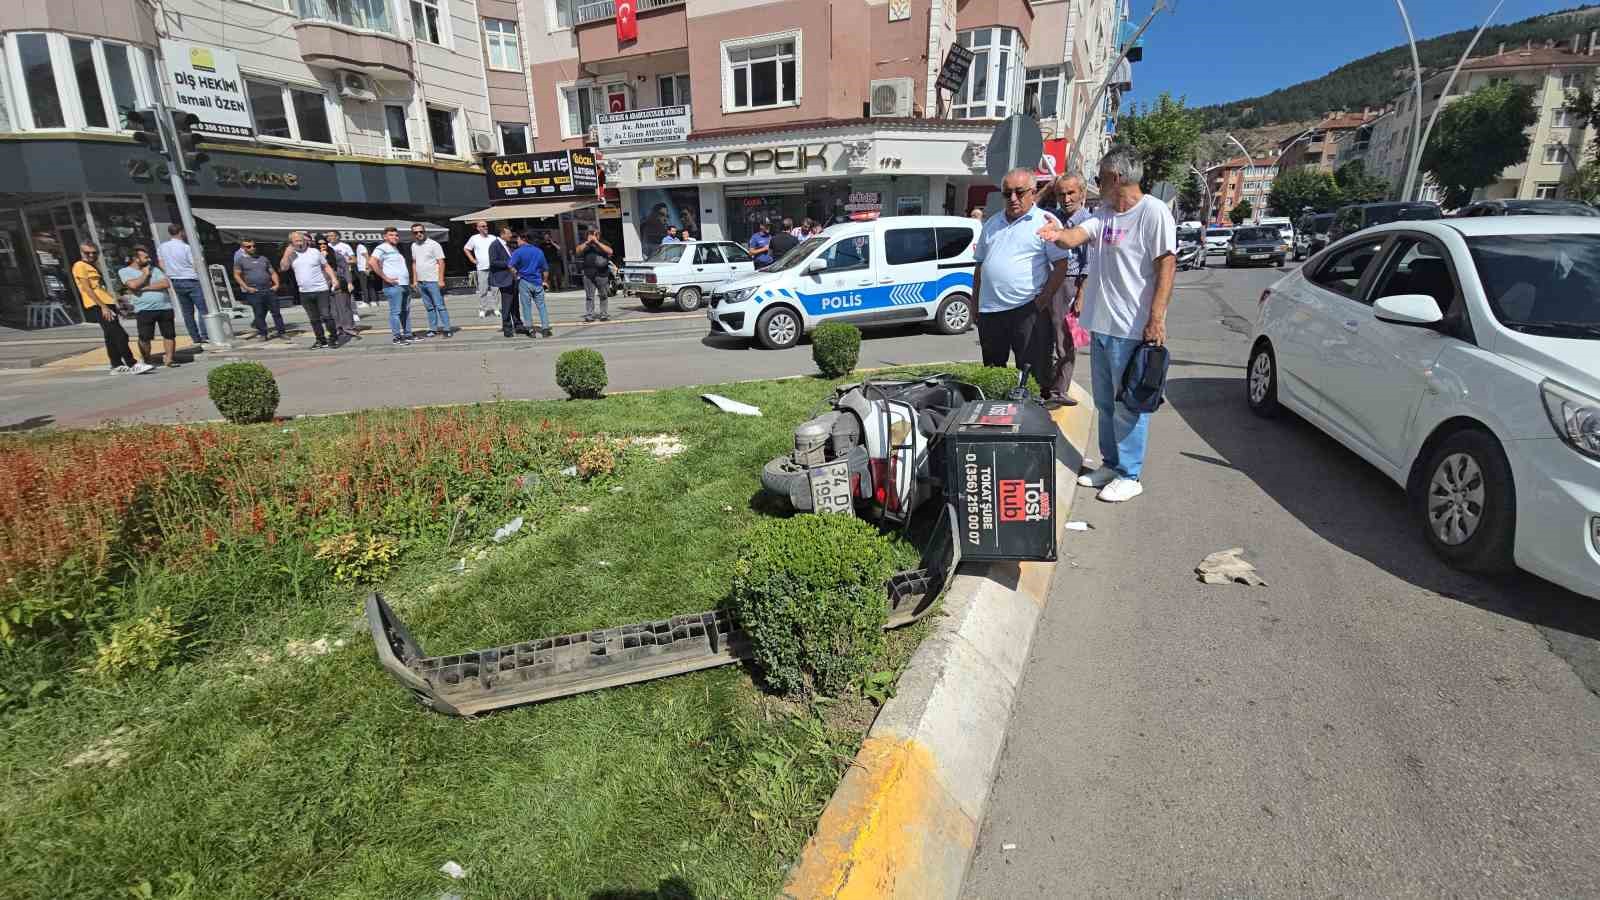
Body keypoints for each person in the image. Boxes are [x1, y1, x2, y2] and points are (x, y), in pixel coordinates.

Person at [1036, 144, 1178, 504]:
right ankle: (1111, 465)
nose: (1098, 184)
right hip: (1101, 325)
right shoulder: (1106, 213)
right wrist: (1056, 233)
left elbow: (1166, 266)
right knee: (1105, 403)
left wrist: (1156, 319)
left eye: (1099, 178)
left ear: (1116, 178)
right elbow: (1076, 236)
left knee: (1128, 404)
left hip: (1131, 329)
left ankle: (1131, 474)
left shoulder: (1153, 213)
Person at [972, 167, 1071, 402]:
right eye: (1007, 194)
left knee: (1032, 376)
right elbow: (980, 267)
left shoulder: (1045, 222)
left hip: (1027, 311)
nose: (1013, 199)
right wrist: (975, 303)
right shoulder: (992, 223)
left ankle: (1033, 423)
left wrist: (1041, 301)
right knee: (993, 376)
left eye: (1019, 192)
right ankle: (995, 421)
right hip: (991, 312)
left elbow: (1060, 266)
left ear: (1033, 191)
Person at [1038, 174, 1092, 407]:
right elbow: (1033, 207)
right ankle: (1045, 386)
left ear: (1082, 193)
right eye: (1061, 194)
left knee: (1064, 340)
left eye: (1071, 193)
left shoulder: (1088, 221)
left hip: (1070, 283)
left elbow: (1091, 262)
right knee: (1043, 338)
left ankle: (1060, 390)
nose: (1066, 198)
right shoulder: (1054, 216)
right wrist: (1048, 187)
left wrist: (1081, 294)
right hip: (1047, 279)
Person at [73, 243, 147, 374]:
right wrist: (103, 307)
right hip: (97, 304)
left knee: (110, 336)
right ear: (81, 252)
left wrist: (113, 302)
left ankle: (116, 364)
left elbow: (99, 287)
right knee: (120, 335)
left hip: (106, 302)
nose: (91, 255)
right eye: (87, 253)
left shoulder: (92, 266)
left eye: (94, 253)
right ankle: (132, 363)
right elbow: (87, 289)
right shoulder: (80, 266)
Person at [279, 230, 342, 350]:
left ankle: (333, 338)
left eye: (301, 240)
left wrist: (334, 279)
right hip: (304, 291)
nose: (299, 243)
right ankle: (320, 340)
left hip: (320, 289)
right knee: (313, 318)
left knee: (326, 315)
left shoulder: (314, 252)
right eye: (296, 241)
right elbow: (283, 268)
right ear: (291, 243)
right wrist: (286, 254)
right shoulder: (291, 255)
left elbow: (326, 266)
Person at [119, 246, 178, 369]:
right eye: (145, 257)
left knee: (169, 334)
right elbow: (133, 285)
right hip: (144, 309)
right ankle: (147, 359)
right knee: (145, 337)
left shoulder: (155, 269)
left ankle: (169, 359)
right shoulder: (125, 271)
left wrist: (144, 288)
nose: (149, 259)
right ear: (136, 259)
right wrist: (145, 275)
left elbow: (166, 283)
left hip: (164, 306)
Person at [157, 225, 208, 344]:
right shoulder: (186, 247)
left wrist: (171, 272)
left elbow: (161, 263)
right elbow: (195, 265)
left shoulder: (162, 247)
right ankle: (205, 335)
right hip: (191, 279)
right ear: (181, 232)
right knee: (202, 309)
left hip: (176, 280)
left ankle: (195, 337)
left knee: (187, 311)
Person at [232, 239, 285, 341]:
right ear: (243, 248)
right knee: (259, 313)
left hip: (268, 288)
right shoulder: (240, 260)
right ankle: (263, 334)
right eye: (249, 247)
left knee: (276, 312)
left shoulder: (263, 258)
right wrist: (246, 288)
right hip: (254, 290)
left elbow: (272, 272)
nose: (252, 248)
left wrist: (277, 284)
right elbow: (236, 275)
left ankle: (281, 332)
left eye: (253, 246)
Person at [369, 227, 413, 345]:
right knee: (396, 312)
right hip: (393, 286)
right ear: (385, 237)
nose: (395, 237)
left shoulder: (395, 249)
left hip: (404, 284)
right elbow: (372, 262)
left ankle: (408, 334)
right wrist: (385, 278)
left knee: (405, 311)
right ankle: (397, 337)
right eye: (391, 235)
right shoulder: (382, 247)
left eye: (396, 235)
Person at [408, 224, 452, 338]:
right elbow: (414, 263)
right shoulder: (413, 245)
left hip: (433, 280)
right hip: (421, 281)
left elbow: (441, 262)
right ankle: (433, 329)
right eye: (416, 233)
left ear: (425, 231)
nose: (419, 234)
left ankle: (447, 328)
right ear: (413, 234)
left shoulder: (434, 244)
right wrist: (414, 280)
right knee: (429, 307)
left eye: (421, 231)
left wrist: (441, 279)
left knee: (440, 305)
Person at [510, 231, 553, 338]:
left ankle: (530, 329)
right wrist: (545, 281)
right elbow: (545, 269)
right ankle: (546, 328)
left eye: (518, 239)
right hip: (538, 282)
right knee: (542, 306)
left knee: (526, 306)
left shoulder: (518, 252)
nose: (517, 241)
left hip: (524, 281)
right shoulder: (539, 251)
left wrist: (516, 276)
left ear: (524, 239)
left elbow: (511, 266)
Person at [487, 225, 524, 337]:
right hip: (504, 279)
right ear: (502, 234)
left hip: (512, 278)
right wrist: (509, 264)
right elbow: (493, 262)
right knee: (507, 304)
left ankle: (518, 325)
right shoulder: (495, 245)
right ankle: (507, 327)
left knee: (515, 303)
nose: (511, 235)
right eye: (508, 233)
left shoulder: (507, 245)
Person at [319, 238, 358, 340]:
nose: (322, 246)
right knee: (332, 310)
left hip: (339, 283)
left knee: (344, 307)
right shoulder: (314, 256)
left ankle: (348, 328)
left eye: (324, 243)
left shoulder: (335, 254)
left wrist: (349, 282)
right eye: (320, 244)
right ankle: (338, 328)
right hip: (323, 286)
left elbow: (345, 268)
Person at [463, 220, 500, 319]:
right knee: (482, 290)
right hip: (481, 268)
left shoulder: (493, 238)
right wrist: (472, 259)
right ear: (478, 228)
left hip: (493, 268)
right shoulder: (474, 238)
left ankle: (496, 308)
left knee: (495, 290)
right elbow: (466, 249)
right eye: (483, 226)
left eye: (486, 226)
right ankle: (482, 309)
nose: (485, 228)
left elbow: (500, 249)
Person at [577, 227, 614, 322]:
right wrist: (587, 242)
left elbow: (610, 251)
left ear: (598, 234)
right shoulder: (585, 244)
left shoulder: (603, 242)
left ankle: (604, 314)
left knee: (603, 295)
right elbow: (578, 251)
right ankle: (589, 315)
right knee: (589, 296)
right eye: (590, 233)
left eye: (594, 233)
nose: (592, 235)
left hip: (602, 274)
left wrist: (597, 242)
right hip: (588, 274)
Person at [354, 241, 373, 307]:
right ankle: (372, 301)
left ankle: (366, 302)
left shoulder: (360, 246)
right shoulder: (360, 246)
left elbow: (367, 257)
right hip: (363, 268)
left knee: (364, 286)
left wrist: (367, 267)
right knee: (368, 285)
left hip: (363, 269)